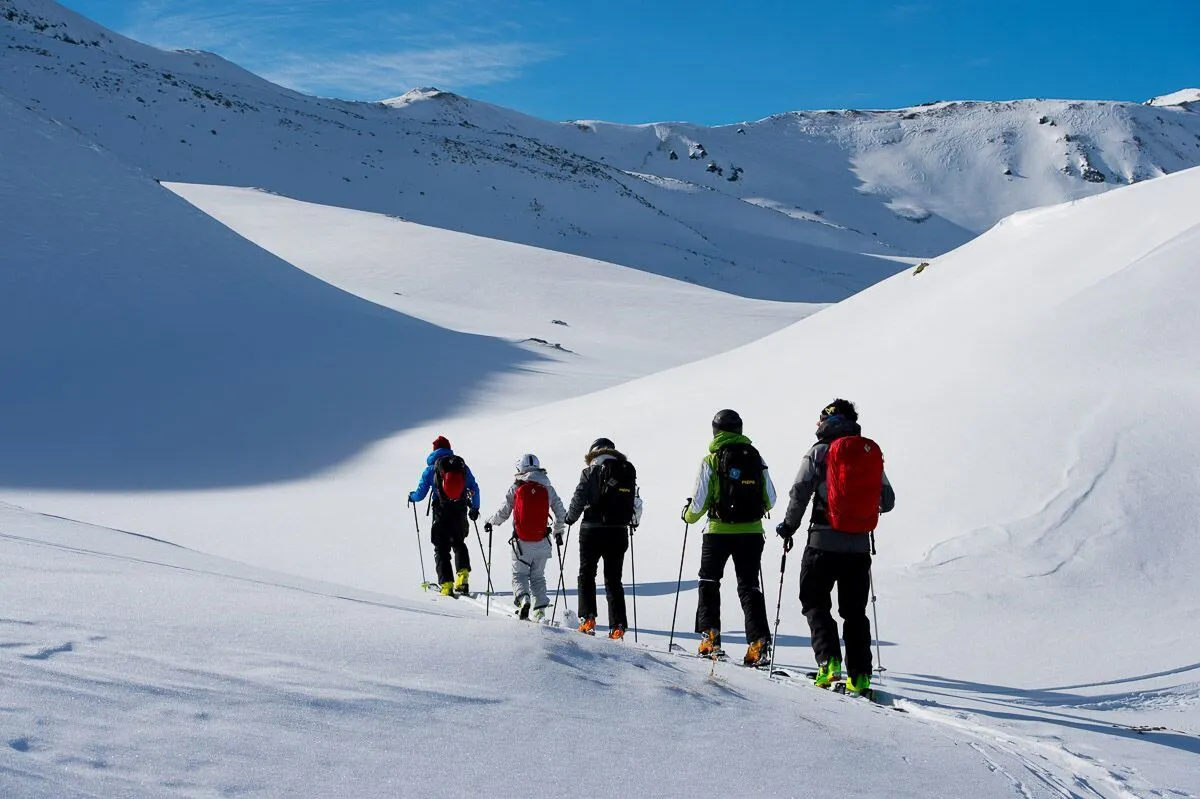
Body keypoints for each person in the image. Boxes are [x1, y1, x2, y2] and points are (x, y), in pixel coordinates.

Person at [775, 399, 895, 696]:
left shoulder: (818, 452)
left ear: (826, 421)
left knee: (814, 601)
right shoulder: (867, 453)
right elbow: (888, 500)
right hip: (858, 546)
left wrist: (788, 527)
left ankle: (828, 664)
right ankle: (861, 676)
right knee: (855, 612)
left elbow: (800, 492)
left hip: (822, 542)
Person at [682, 409, 778, 666]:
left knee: (709, 581)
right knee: (749, 586)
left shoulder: (711, 459)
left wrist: (687, 516)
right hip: (752, 532)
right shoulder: (755, 457)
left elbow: (699, 502)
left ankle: (710, 638)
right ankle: (758, 643)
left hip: (718, 532)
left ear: (715, 430)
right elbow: (771, 498)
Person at [564, 438, 643, 639]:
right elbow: (636, 503)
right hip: (618, 531)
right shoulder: (625, 470)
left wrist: (570, 518)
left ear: (593, 453)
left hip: (591, 530)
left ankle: (588, 618)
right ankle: (617, 625)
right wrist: (632, 522)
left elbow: (579, 497)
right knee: (613, 579)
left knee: (587, 574)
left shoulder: (590, 472)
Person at [483, 454, 568, 622]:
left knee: (519, 575)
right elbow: (561, 513)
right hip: (542, 542)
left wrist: (490, 521)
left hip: (521, 543)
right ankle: (540, 612)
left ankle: (524, 599)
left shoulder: (516, 487)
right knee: (538, 577)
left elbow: (504, 512)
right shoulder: (548, 487)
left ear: (520, 469)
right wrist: (558, 532)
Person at [408, 436, 481, 596]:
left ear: (434, 450)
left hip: (440, 510)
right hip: (460, 509)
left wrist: (411, 496)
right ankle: (463, 579)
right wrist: (475, 508)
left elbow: (420, 494)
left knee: (441, 547)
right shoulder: (461, 466)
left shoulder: (432, 469)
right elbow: (474, 487)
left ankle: (447, 584)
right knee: (459, 543)